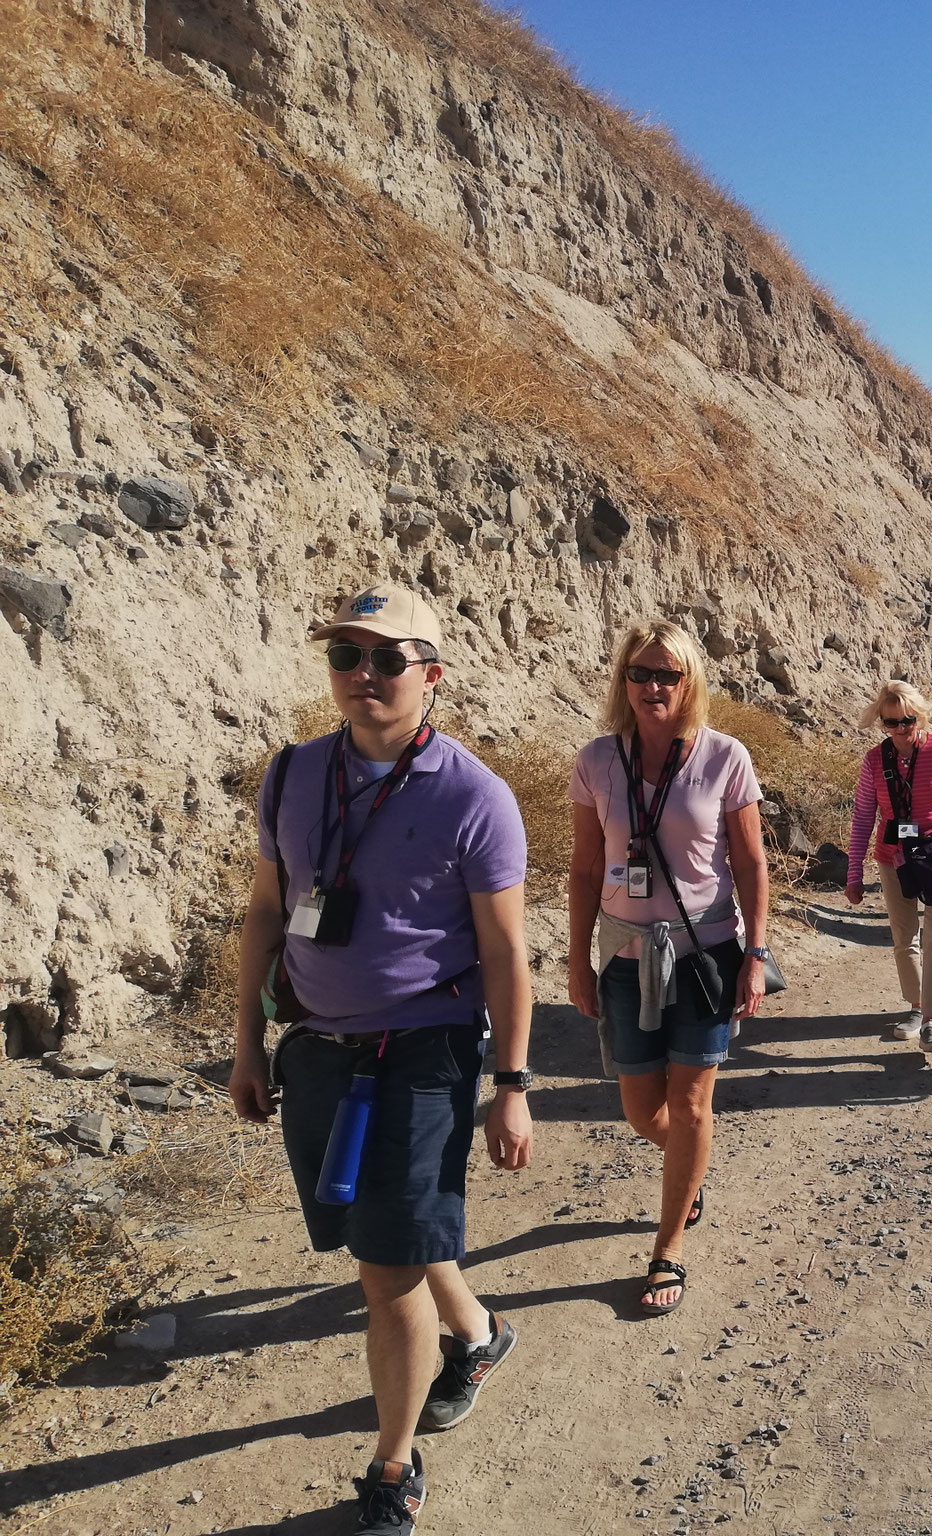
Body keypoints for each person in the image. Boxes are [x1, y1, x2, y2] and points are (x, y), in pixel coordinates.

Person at [229, 584, 533, 1536]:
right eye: (346, 656)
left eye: (387, 659)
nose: (364, 675)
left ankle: (393, 1466)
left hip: (423, 1050)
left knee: (386, 1268)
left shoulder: (475, 796)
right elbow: (267, 912)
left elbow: (505, 953)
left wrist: (512, 1085)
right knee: (379, 1233)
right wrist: (246, 1044)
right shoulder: (293, 773)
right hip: (317, 1046)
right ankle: (478, 1332)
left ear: (431, 676)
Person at [568, 620, 772, 1317]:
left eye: (667, 674)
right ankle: (691, 1167)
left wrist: (756, 955)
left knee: (688, 1106)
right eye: (640, 673)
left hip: (705, 956)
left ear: (690, 683)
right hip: (626, 954)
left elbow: (751, 865)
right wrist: (577, 960)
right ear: (623, 681)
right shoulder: (598, 760)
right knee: (640, 1110)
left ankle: (667, 1247)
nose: (652, 686)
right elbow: (585, 869)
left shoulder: (725, 757)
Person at [845, 681, 932, 1054]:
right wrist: (854, 874)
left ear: (920, 717)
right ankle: (917, 1006)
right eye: (891, 723)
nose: (901, 729)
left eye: (907, 720)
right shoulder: (874, 761)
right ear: (882, 722)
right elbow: (862, 819)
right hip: (894, 858)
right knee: (904, 937)